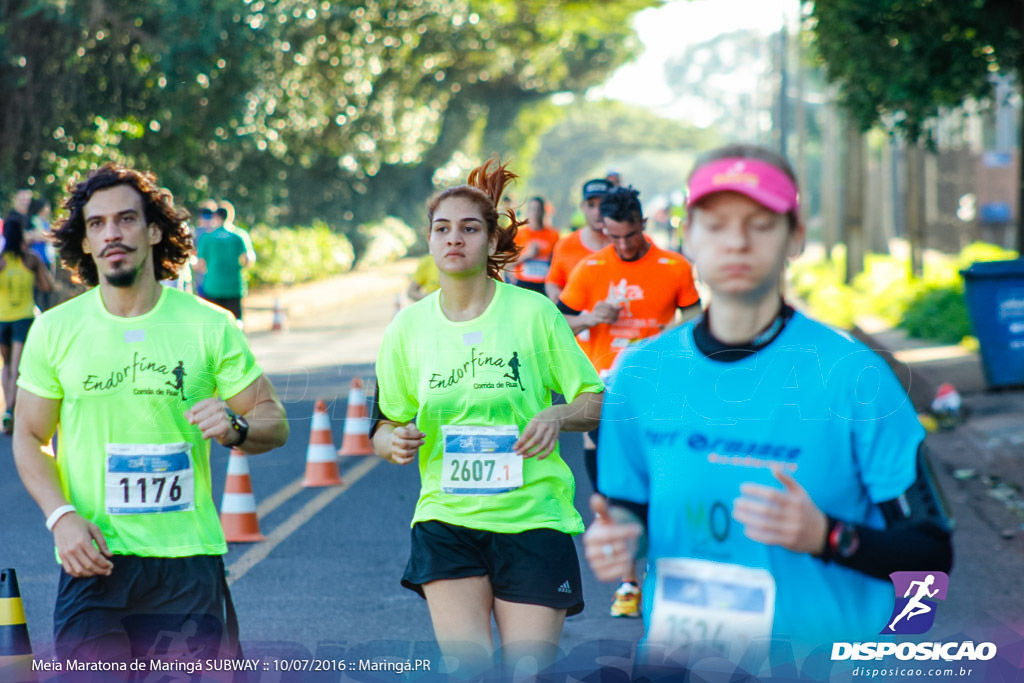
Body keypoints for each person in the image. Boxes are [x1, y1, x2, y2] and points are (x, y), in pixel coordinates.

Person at [583, 144, 953, 663]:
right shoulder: (640, 374)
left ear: (794, 237)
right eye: (715, 224)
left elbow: (934, 553)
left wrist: (828, 537)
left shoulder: (855, 376)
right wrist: (622, 537)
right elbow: (631, 509)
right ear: (689, 236)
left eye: (760, 224)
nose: (736, 241)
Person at [12, 164, 289, 668]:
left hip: (188, 564)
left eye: (125, 219)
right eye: (97, 224)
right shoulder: (55, 330)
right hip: (92, 560)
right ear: (87, 242)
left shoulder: (209, 326)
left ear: (154, 230)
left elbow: (274, 420)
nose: (112, 233)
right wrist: (61, 517)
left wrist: (237, 427)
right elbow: (29, 436)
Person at [370, 157, 604, 675]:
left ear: (493, 242)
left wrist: (557, 417)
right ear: (430, 242)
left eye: (470, 228)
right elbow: (385, 424)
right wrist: (394, 442)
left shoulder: (534, 314)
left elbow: (594, 399)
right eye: (442, 229)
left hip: (533, 521)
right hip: (446, 521)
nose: (454, 239)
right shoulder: (407, 329)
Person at [557, 185, 701, 619]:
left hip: (662, 395)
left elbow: (697, 328)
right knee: (612, 494)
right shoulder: (589, 268)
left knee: (665, 488)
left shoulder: (674, 267)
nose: (621, 244)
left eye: (629, 235)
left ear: (643, 223)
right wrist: (588, 317)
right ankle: (628, 583)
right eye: (612, 236)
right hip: (606, 396)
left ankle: (664, 574)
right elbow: (556, 325)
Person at [0, 215, 55, 433]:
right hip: (24, 317)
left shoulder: (1, 261)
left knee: (6, 367)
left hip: (2, 319)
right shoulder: (31, 259)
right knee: (18, 368)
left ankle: (9, 412)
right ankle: (12, 411)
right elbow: (48, 286)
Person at [544, 179, 613, 303]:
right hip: (577, 320)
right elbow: (553, 281)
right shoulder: (565, 245)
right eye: (591, 205)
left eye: (604, 205)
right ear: (582, 207)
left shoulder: (628, 243)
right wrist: (557, 299)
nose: (597, 212)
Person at [195, 202, 252, 322]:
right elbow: (247, 260)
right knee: (236, 322)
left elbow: (200, 265)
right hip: (234, 287)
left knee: (214, 323)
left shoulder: (207, 238)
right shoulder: (239, 236)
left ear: (216, 217)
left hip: (212, 287)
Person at [508, 196, 560, 295]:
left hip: (544, 285)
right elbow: (507, 263)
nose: (535, 213)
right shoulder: (519, 235)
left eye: (538, 210)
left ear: (544, 212)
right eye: (532, 210)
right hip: (523, 284)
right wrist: (528, 255)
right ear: (528, 212)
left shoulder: (553, 235)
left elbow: (557, 261)